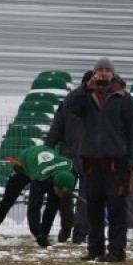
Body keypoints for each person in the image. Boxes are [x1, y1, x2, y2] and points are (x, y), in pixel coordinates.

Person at [64, 57, 133, 263]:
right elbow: (69, 105)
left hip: (117, 163)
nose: (104, 73)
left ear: (113, 73)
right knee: (94, 208)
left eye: (107, 70)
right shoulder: (86, 97)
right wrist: (86, 87)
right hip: (92, 162)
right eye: (100, 70)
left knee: (117, 208)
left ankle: (117, 251)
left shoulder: (124, 98)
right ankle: (95, 249)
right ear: (94, 73)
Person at [0, 144, 77, 247]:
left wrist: (44, 237)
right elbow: (33, 208)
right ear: (55, 184)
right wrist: (38, 235)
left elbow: (52, 208)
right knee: (7, 201)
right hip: (23, 164)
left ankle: (44, 234)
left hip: (44, 167)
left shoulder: (71, 170)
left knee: (54, 202)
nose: (62, 194)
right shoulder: (39, 179)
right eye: (60, 191)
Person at [44, 70, 92, 244]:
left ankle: (72, 229)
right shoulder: (71, 104)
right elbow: (56, 128)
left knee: (71, 195)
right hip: (77, 157)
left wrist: (48, 148)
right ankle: (75, 231)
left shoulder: (69, 103)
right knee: (77, 197)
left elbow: (55, 130)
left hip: (80, 158)